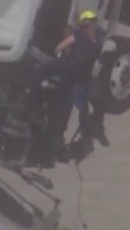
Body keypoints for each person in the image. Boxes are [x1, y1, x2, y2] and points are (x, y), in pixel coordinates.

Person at [36, 9, 109, 161]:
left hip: (72, 78)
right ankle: (88, 137)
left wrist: (64, 53)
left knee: (66, 106)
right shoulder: (98, 41)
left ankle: (66, 141)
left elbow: (59, 48)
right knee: (82, 109)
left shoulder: (79, 36)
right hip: (82, 81)